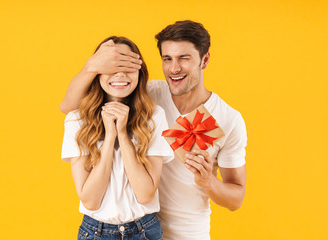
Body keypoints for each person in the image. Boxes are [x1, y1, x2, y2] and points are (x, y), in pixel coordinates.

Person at [61, 20, 247, 240]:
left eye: (184, 58)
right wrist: (92, 66)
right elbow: (72, 108)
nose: (174, 68)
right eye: (167, 59)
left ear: (204, 60)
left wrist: (209, 181)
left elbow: (236, 198)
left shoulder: (228, 119)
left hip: (188, 233)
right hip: (139, 225)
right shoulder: (147, 96)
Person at [61, 36, 173, 240]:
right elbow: (91, 200)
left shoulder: (154, 116)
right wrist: (110, 135)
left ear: (140, 72)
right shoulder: (76, 120)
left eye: (127, 66)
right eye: (111, 67)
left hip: (144, 231)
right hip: (95, 233)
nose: (120, 73)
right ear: (97, 73)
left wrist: (122, 134)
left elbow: (145, 194)